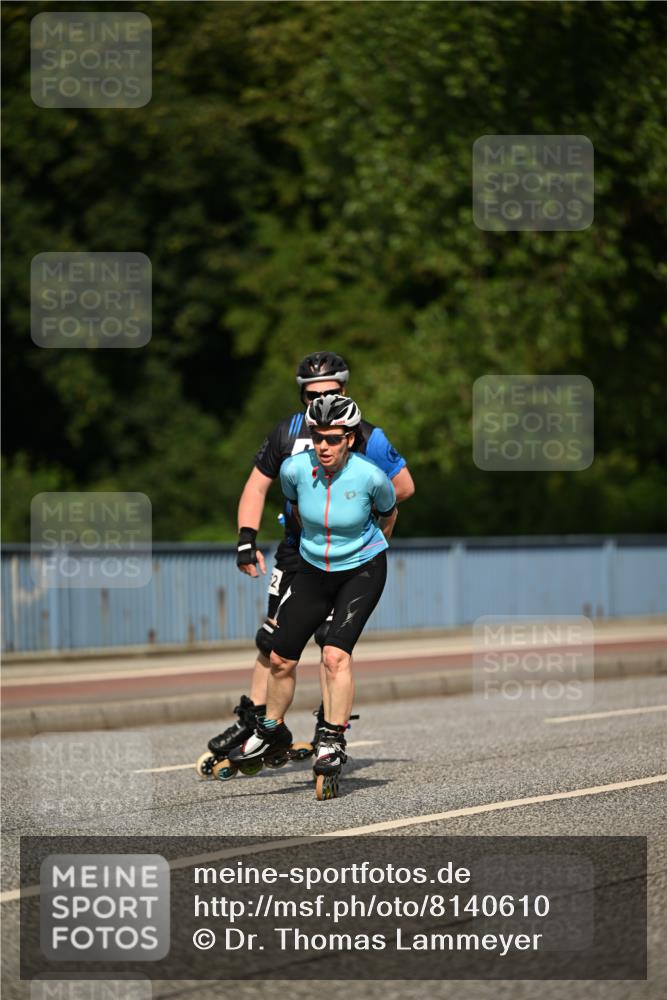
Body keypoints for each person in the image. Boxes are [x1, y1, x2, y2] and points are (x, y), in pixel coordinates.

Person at [199, 351, 414, 773]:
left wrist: (361, 514)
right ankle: (260, 724)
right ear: (301, 396)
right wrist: (246, 539)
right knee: (274, 641)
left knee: (331, 646)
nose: (320, 402)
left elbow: (400, 489)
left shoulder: (366, 435)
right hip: (300, 550)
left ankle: (328, 725)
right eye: (311, 395)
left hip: (350, 552)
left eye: (329, 392)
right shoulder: (288, 435)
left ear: (344, 392)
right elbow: (258, 487)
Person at [228, 395, 396, 790]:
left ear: (350, 439)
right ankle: (272, 729)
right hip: (313, 569)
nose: (323, 445)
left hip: (362, 570)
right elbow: (296, 509)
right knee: (280, 656)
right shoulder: (294, 469)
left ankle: (333, 739)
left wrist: (367, 548)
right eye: (318, 436)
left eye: (333, 438)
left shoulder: (372, 478)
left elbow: (388, 513)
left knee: (335, 654)